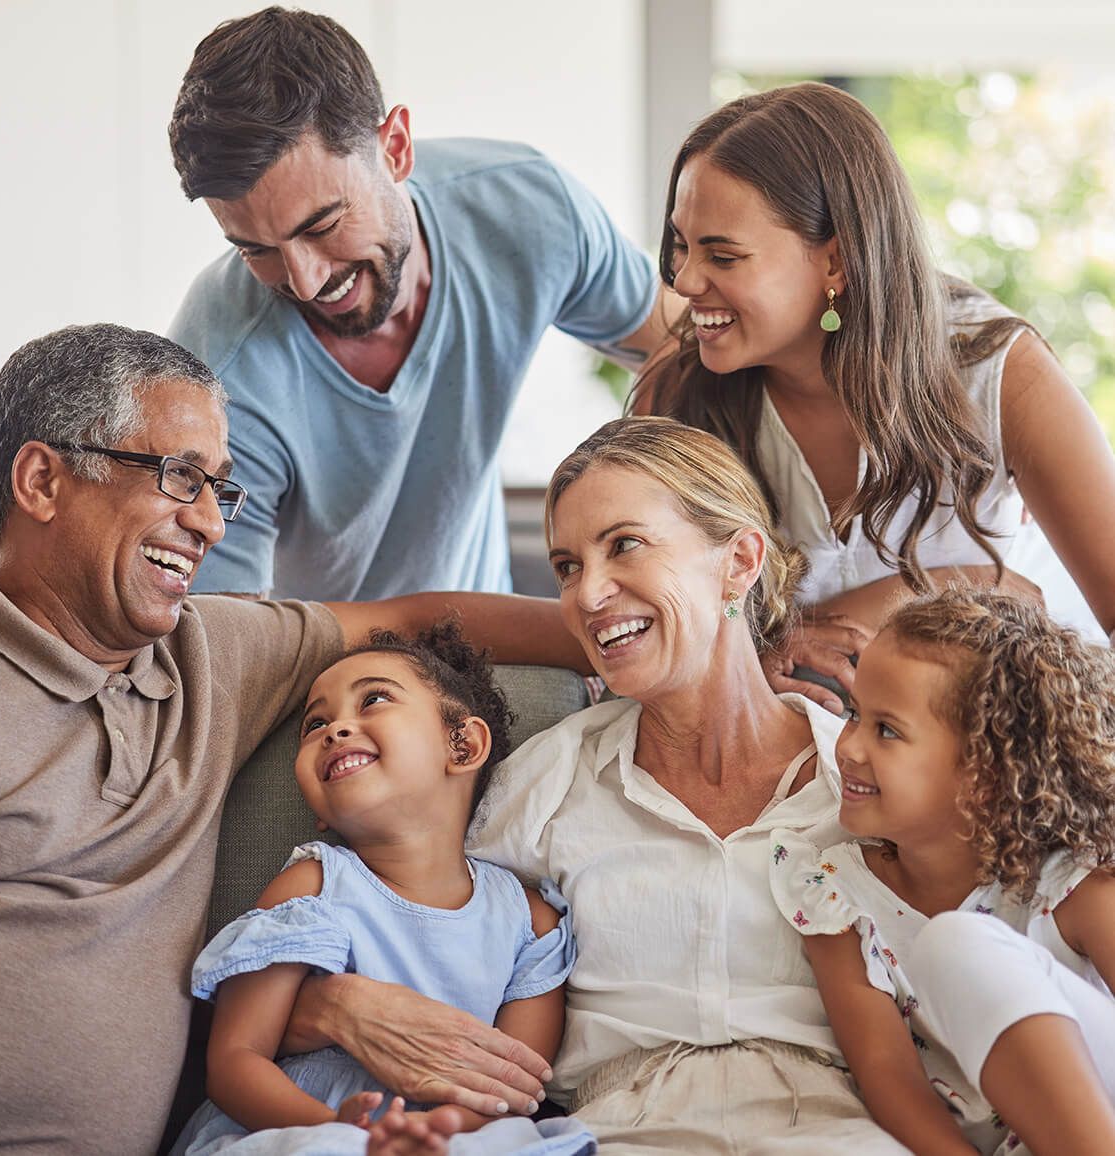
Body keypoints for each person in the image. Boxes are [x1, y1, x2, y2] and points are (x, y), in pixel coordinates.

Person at [0, 323, 587, 1156]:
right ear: (43, 480)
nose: (212, 524)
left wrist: (685, 644)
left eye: (221, 488)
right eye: (182, 477)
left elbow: (411, 620)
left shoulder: (211, 651)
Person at [284, 416, 909, 1153]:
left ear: (739, 561)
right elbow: (418, 947)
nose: (588, 595)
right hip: (612, 1136)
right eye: (568, 567)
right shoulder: (544, 786)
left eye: (625, 545)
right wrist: (328, 1003)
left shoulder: (870, 779)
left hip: (842, 1131)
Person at [633, 81, 1115, 712]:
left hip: (998, 731)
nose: (685, 280)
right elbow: (652, 613)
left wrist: (907, 598)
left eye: (723, 255)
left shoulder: (999, 374)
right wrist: (957, 583)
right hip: (796, 740)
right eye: (681, 245)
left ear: (836, 261)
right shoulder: (682, 391)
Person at [167, 6, 674, 603]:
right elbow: (230, 644)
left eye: (324, 224)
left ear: (396, 147)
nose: (304, 282)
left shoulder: (527, 209)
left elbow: (691, 351)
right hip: (315, 680)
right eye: (255, 250)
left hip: (494, 656)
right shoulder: (218, 372)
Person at [173, 623, 592, 1156]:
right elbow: (234, 1064)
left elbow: (514, 1079)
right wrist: (340, 1129)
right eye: (316, 723)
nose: (335, 730)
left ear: (462, 745)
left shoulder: (531, 921)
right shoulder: (312, 887)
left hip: (460, 1136)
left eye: (373, 699)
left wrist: (434, 1133)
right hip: (309, 1128)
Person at [770, 588, 1115, 1155]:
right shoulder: (833, 889)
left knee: (954, 944)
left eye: (886, 730)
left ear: (984, 773)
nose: (849, 746)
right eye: (855, 714)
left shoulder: (1071, 874)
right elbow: (889, 1079)